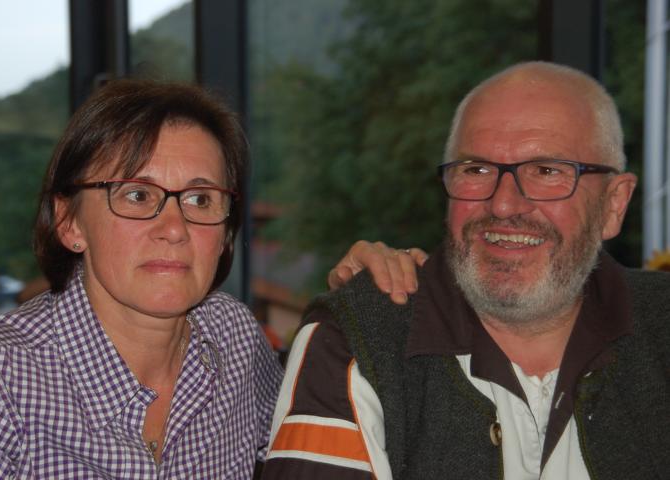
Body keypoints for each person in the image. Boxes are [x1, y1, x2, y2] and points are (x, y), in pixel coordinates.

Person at [0, 79, 420, 479]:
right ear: (70, 222)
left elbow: (311, 449)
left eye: (200, 199)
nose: (175, 228)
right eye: (136, 194)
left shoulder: (233, 338)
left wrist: (357, 303)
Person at [263, 61, 670, 479]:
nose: (504, 205)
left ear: (614, 204)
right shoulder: (359, 340)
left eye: (546, 171)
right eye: (476, 170)